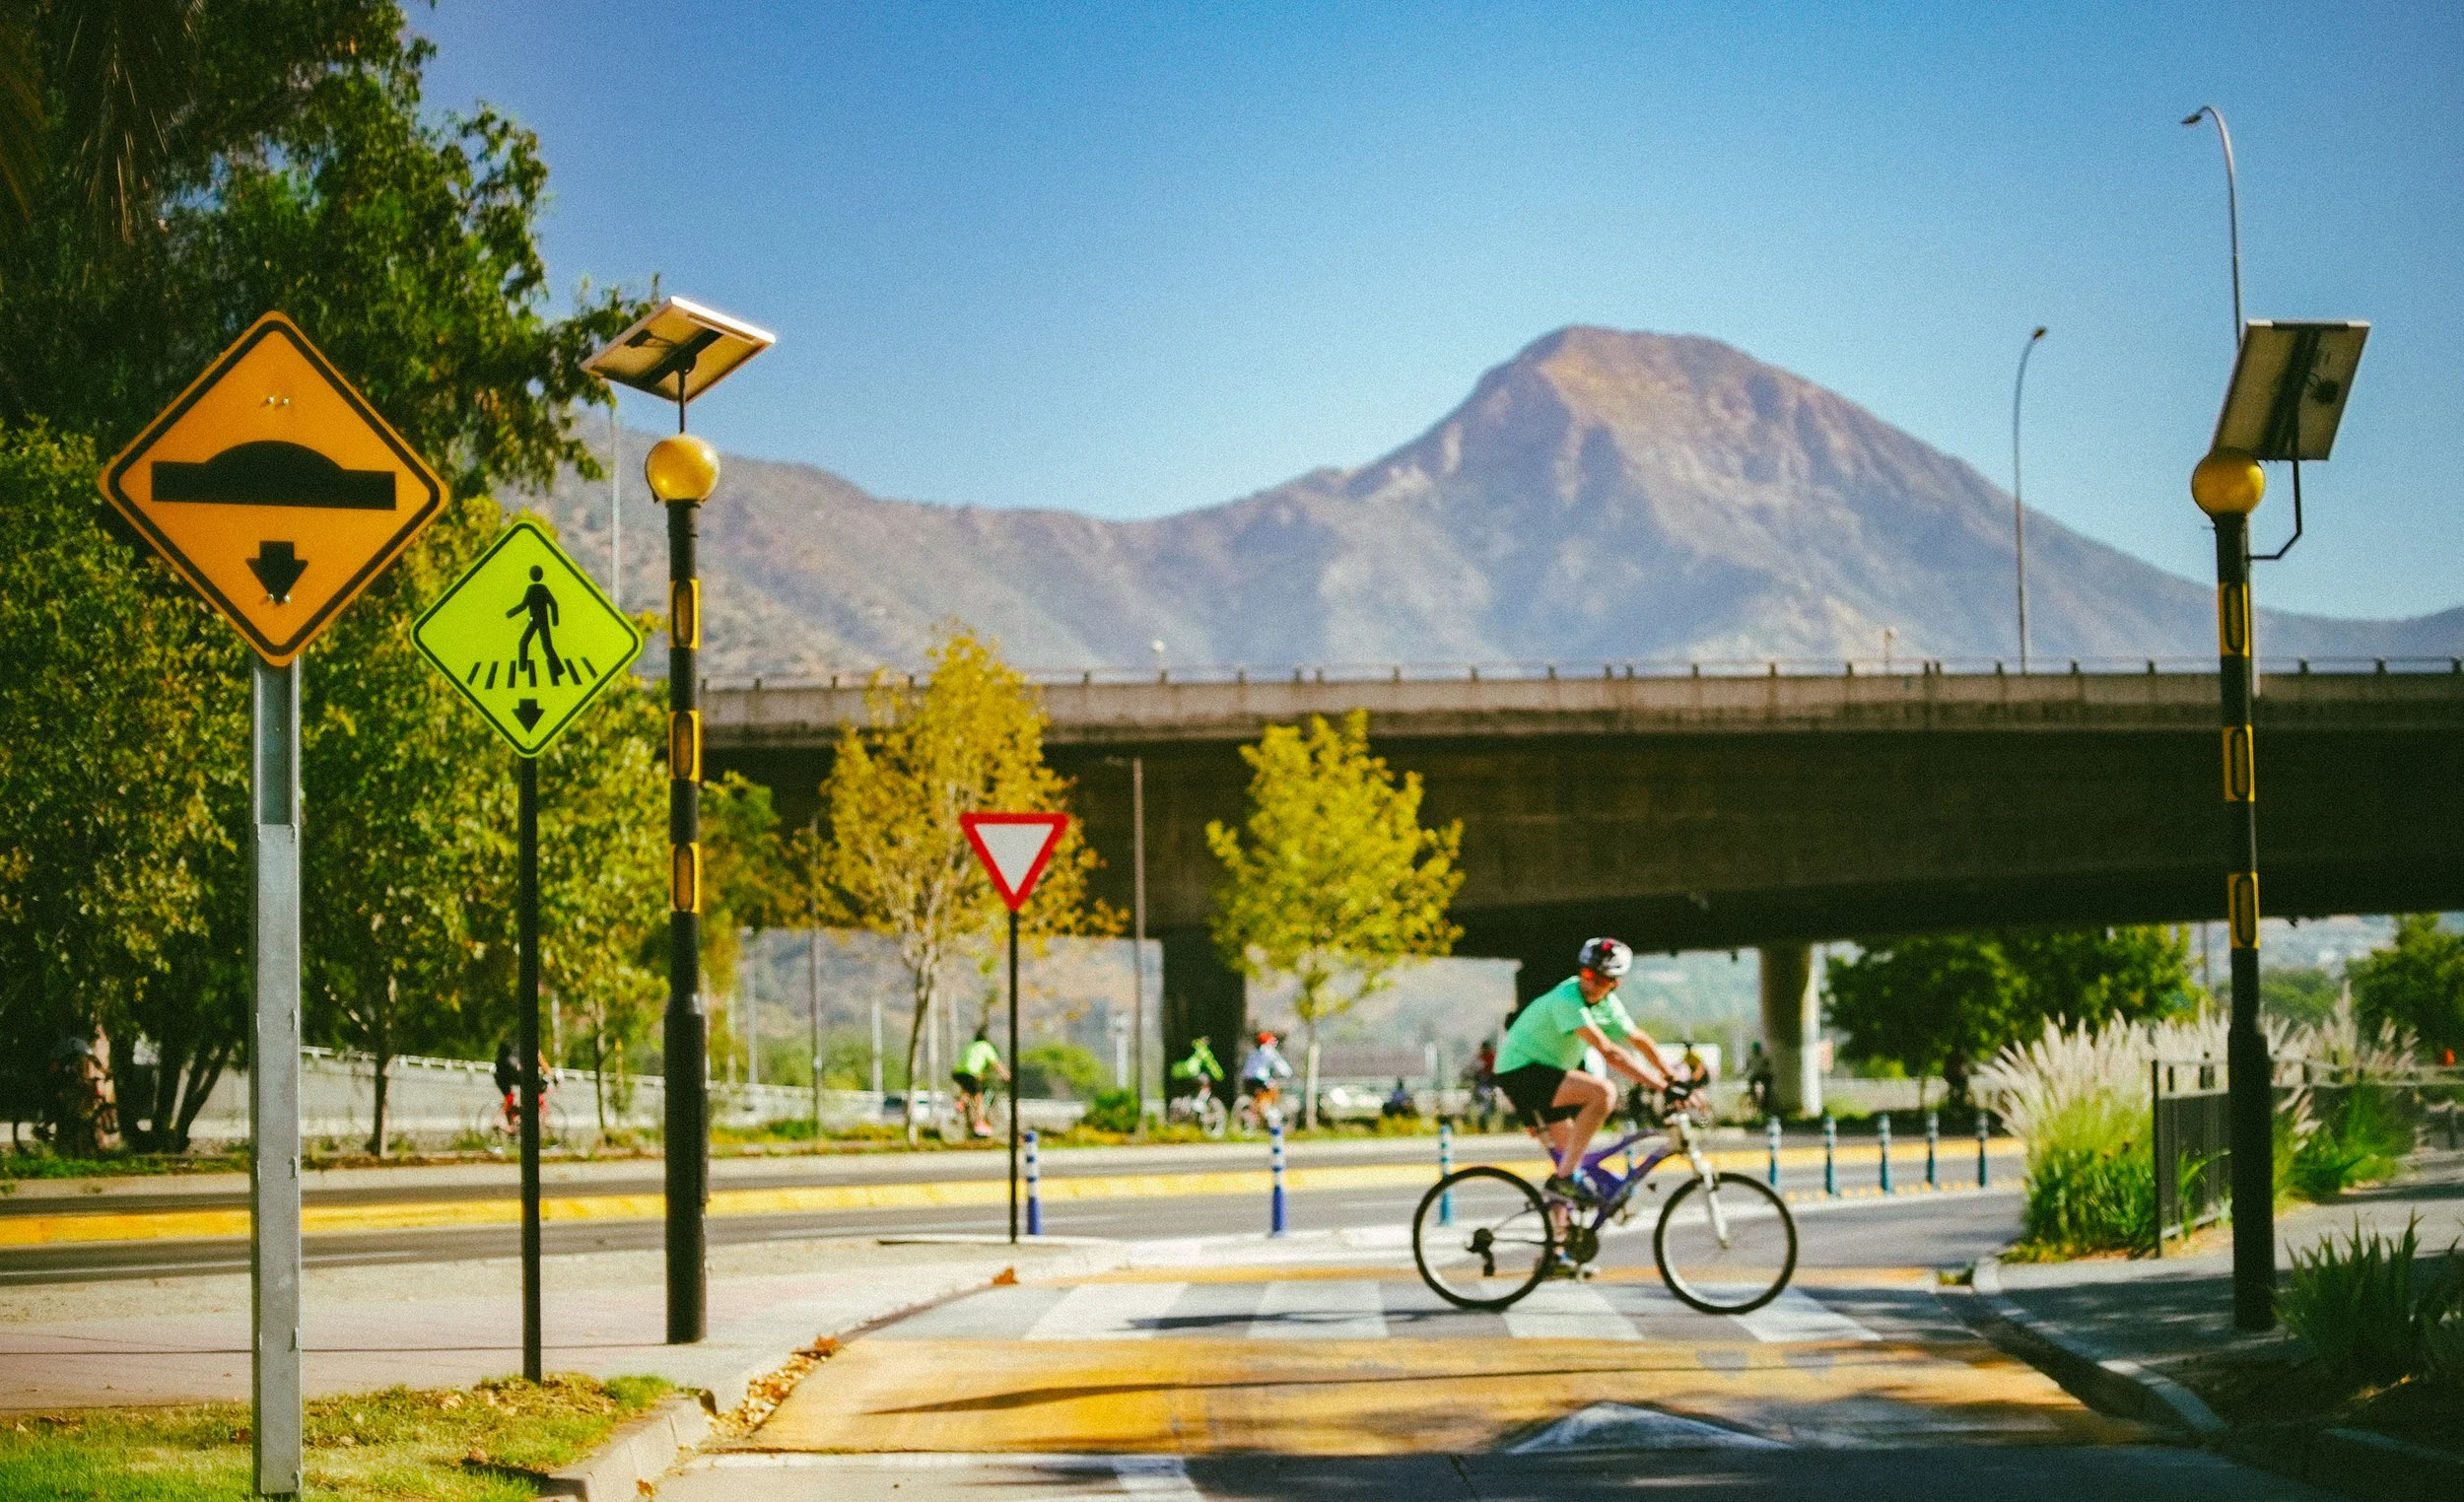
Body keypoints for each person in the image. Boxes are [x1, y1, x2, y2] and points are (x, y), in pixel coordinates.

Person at [1492, 937, 1673, 1205]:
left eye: (1601, 980)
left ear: (1614, 984)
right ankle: (1565, 1181)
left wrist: (1671, 1075)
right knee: (1603, 1093)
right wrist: (1663, 1087)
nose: (1591, 983)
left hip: (1546, 1073)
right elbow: (1610, 1053)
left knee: (1569, 1160)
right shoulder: (1568, 998)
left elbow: (1637, 1039)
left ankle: (1560, 1239)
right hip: (1521, 1071)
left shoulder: (1606, 1004)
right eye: (1588, 974)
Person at [953, 1026, 1008, 1138]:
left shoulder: (971, 1046)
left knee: (968, 1089)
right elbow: (996, 1063)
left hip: (958, 1073)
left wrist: (979, 1075)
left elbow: (970, 1061)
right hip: (970, 1073)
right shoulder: (986, 1047)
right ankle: (980, 1123)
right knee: (978, 1098)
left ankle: (961, 1104)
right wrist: (1006, 1075)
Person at [1239, 1030, 1293, 1121]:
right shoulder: (1269, 1051)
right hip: (1260, 1080)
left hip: (1247, 1080)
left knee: (1256, 1097)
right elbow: (1280, 1064)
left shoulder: (1253, 1053)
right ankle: (1271, 1111)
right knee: (1274, 1088)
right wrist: (1288, 1073)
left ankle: (1257, 1111)